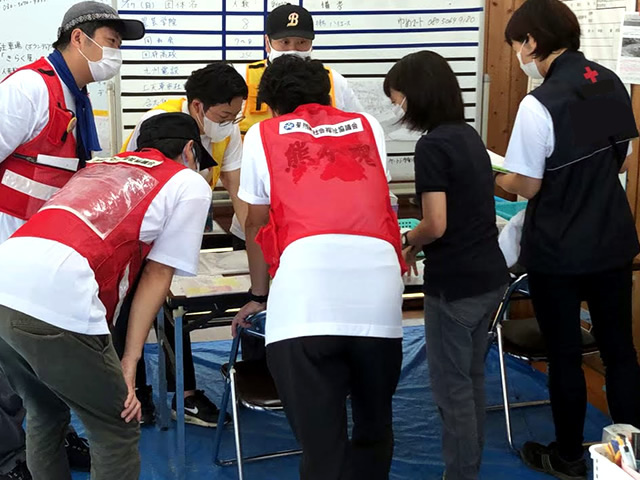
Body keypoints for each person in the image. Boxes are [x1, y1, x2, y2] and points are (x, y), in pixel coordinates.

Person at [0, 112, 214, 480]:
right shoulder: (187, 182)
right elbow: (158, 276)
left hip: (6, 277)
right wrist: (129, 361)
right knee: (115, 427)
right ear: (191, 149)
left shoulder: (99, 168)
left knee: (44, 411)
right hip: (57, 299)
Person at [233, 55, 405, 480]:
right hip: (380, 295)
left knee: (322, 445)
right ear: (328, 93)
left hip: (305, 300)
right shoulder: (369, 127)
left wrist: (258, 296)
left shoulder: (262, 134)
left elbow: (256, 220)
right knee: (373, 427)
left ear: (269, 104)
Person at [0, 2, 144, 477]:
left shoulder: (76, 99)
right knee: (15, 381)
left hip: (43, 260)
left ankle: (51, 444)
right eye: (113, 40)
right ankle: (11, 457)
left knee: (44, 388)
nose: (116, 53)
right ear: (78, 39)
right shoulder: (29, 89)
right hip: (10, 256)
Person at [496, 0, 640, 478]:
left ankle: (569, 457)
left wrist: (501, 178)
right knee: (619, 349)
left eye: (517, 44)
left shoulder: (539, 102)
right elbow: (621, 161)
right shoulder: (612, 82)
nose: (518, 53)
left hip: (559, 246)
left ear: (532, 42)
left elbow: (528, 184)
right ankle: (627, 460)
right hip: (612, 239)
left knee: (564, 355)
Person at [384, 51, 509, 480]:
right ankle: (468, 468)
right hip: (490, 275)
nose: (398, 109)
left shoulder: (432, 145)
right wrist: (421, 243)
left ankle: (459, 475)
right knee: (470, 378)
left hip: (455, 285)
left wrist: (407, 240)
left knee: (451, 389)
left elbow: (435, 224)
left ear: (418, 96)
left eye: (398, 99)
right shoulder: (467, 135)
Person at [114, 62, 247, 427]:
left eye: (236, 116)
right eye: (224, 114)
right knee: (132, 310)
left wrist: (257, 243)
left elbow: (238, 194)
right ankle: (132, 394)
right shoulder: (158, 122)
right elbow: (142, 184)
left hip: (181, 223)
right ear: (198, 106)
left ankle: (184, 396)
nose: (229, 123)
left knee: (177, 307)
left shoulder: (226, 133)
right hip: (138, 226)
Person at [234, 2, 363, 249]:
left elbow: (360, 140)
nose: (293, 50)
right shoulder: (242, 80)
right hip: (254, 217)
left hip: (319, 221)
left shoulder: (333, 81)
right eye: (285, 43)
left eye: (302, 43)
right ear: (267, 42)